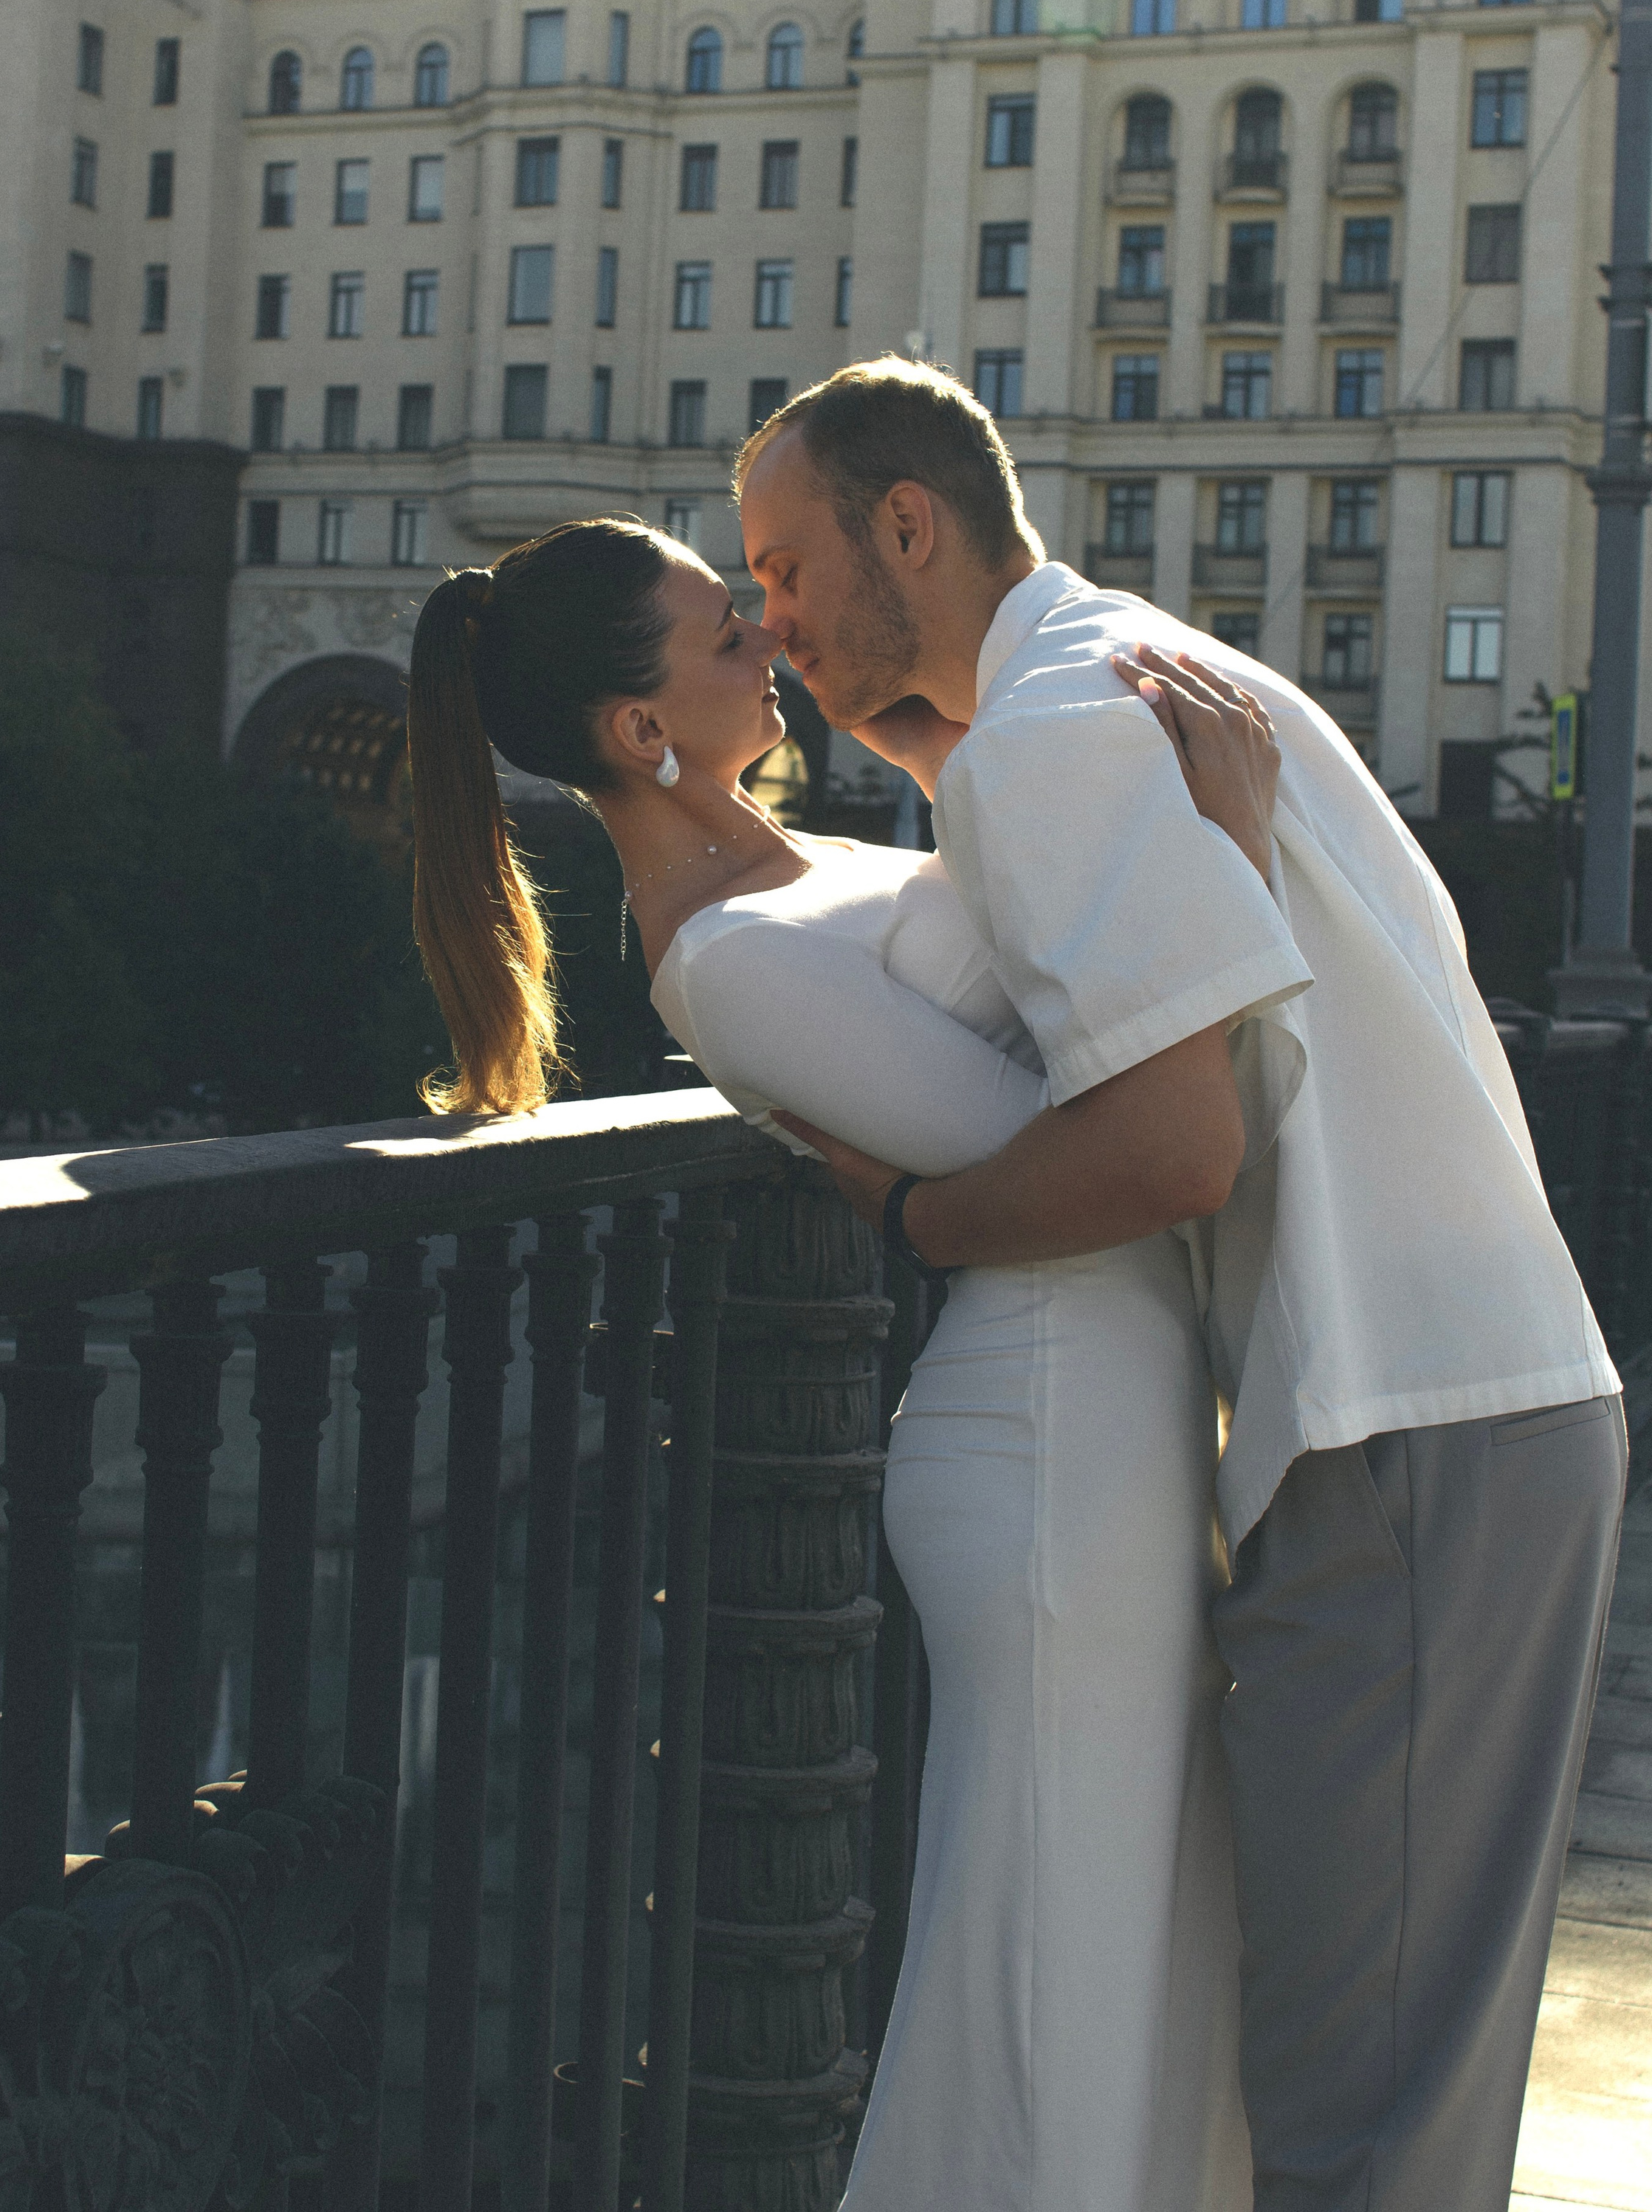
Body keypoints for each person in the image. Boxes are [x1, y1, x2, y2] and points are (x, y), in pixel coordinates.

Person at [735, 356, 1629, 2212]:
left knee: (1350, 2129)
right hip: (1473, 1407)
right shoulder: (1122, 672)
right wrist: (940, 753)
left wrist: (907, 1216)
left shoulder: (1056, 735)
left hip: (1393, 1432)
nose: (768, 618)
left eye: (785, 565)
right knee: (1396, 2095)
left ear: (906, 524)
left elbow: (1168, 1157)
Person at [402, 514, 1280, 2208]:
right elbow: (1063, 1161)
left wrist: (944, 748)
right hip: (1040, 1452)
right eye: (727, 633)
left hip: (1112, 1421)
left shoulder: (795, 877)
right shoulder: (730, 966)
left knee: (1139, 1926)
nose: (769, 638)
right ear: (637, 733)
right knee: (1053, 1957)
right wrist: (1219, 861)